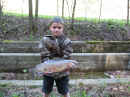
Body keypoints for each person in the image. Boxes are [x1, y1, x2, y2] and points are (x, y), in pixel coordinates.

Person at [39, 17, 73, 97]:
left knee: (65, 91)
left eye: (59, 28)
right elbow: (43, 52)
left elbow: (67, 54)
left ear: (62, 28)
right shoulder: (44, 40)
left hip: (62, 73)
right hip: (48, 72)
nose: (56, 30)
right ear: (50, 27)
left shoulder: (67, 41)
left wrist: (64, 65)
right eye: (54, 27)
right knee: (46, 90)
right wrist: (45, 62)